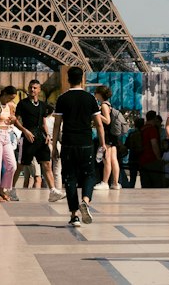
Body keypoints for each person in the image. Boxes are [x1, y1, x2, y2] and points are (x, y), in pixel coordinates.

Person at [53, 66, 104, 226]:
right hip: (86, 143)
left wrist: (54, 145)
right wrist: (102, 144)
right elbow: (99, 124)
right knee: (89, 174)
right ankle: (86, 201)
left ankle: (74, 215)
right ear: (82, 79)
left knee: (70, 178)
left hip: (68, 142)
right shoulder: (90, 99)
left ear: (68, 79)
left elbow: (56, 125)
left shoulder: (62, 98)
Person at [14, 79, 53, 193]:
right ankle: (11, 188)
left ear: (39, 90)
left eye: (35, 88)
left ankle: (53, 190)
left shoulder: (42, 105)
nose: (32, 90)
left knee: (46, 163)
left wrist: (47, 135)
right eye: (31, 87)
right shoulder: (22, 103)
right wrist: (24, 131)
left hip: (41, 138)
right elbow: (15, 120)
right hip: (27, 137)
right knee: (21, 164)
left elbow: (44, 122)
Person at [0, 85, 19, 202]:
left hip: (7, 135)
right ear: (4, 94)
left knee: (12, 165)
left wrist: (13, 120)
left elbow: (14, 119)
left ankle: (3, 188)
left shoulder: (10, 106)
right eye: (9, 97)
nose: (10, 100)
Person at [95, 85, 122, 189]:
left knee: (106, 159)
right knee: (113, 159)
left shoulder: (104, 105)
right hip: (113, 136)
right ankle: (115, 183)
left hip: (107, 135)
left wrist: (97, 114)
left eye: (96, 92)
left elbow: (107, 120)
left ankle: (105, 182)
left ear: (100, 94)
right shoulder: (108, 104)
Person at [137, 111, 163, 188]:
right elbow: (154, 144)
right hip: (152, 159)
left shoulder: (142, 128)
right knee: (156, 184)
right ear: (154, 118)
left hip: (141, 159)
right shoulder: (152, 129)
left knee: (145, 185)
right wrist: (158, 158)